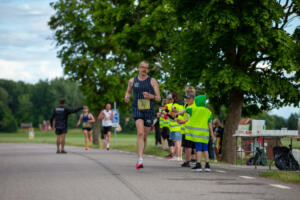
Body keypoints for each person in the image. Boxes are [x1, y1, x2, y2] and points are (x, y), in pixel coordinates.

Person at [124, 61, 160, 170]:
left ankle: (141, 155)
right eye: (142, 67)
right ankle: (140, 159)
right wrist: (127, 97)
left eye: (146, 68)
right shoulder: (132, 81)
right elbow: (128, 92)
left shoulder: (152, 81)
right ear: (139, 68)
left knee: (144, 136)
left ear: (148, 70)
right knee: (140, 133)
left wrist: (151, 96)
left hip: (149, 110)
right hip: (137, 108)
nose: (144, 69)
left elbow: (158, 98)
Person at [179, 95, 215, 172]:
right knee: (205, 149)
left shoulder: (193, 109)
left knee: (198, 149)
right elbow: (210, 124)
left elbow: (183, 112)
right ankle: (207, 165)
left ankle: (198, 165)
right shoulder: (208, 112)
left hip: (197, 134)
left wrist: (177, 113)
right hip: (205, 134)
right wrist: (212, 134)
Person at [178, 86, 196, 167]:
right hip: (188, 128)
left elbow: (189, 118)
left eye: (187, 97)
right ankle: (194, 159)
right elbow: (184, 115)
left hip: (189, 128)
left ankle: (187, 161)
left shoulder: (191, 106)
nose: (186, 99)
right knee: (192, 145)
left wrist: (182, 121)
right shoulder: (187, 105)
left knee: (188, 146)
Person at [167, 92, 184, 161]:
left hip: (176, 126)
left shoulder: (174, 105)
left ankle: (178, 156)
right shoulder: (181, 105)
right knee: (178, 142)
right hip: (178, 126)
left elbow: (173, 115)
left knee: (177, 142)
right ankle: (178, 156)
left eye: (171, 97)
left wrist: (167, 113)